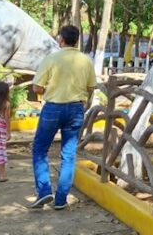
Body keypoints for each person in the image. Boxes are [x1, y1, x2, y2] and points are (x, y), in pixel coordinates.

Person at [29, 25, 96, 210]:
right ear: (77, 40)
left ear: (61, 39)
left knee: (40, 150)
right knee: (68, 155)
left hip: (53, 108)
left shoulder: (51, 58)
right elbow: (91, 87)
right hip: (76, 109)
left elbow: (36, 87)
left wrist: (49, 89)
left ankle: (44, 192)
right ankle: (61, 200)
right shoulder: (86, 60)